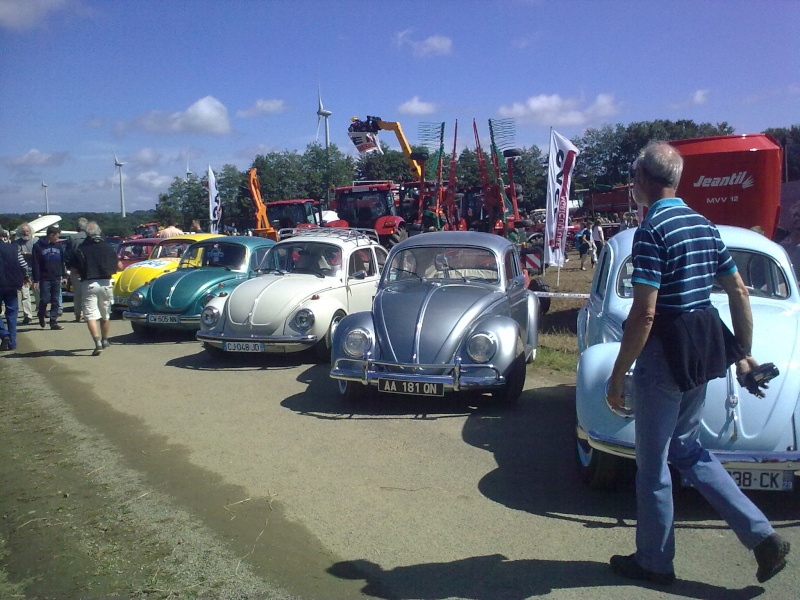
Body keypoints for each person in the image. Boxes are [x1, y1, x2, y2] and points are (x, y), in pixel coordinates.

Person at [606, 141, 790, 586]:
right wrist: (743, 353)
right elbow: (739, 291)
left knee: (651, 469)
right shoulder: (705, 225)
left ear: (645, 181)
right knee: (687, 449)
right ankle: (761, 535)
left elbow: (645, 312)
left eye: (634, 180)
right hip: (699, 358)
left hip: (663, 360)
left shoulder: (652, 231)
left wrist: (617, 375)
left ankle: (654, 561)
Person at [73, 221, 122, 356]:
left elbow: (74, 270)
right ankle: (105, 339)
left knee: (90, 315)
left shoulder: (81, 248)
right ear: (99, 231)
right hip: (106, 282)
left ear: (87, 233)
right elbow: (120, 266)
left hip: (89, 283)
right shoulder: (108, 246)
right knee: (105, 314)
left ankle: (97, 342)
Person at [31, 225, 67, 330]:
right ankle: (41, 314)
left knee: (55, 300)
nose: (57, 239)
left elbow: (62, 262)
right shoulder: (38, 246)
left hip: (56, 276)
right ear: (51, 235)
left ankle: (53, 322)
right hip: (44, 277)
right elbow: (35, 264)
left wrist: (64, 276)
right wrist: (36, 280)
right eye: (56, 236)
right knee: (45, 299)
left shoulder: (58, 247)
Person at [0, 240, 28, 351]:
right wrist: (25, 276)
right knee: (12, 313)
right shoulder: (14, 248)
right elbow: (24, 265)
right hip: (12, 284)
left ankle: (3, 333)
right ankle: (12, 342)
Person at [66, 217, 88, 322]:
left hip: (75, 269)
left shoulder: (72, 238)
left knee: (78, 294)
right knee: (88, 293)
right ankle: (87, 313)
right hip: (89, 269)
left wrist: (70, 267)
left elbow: (68, 255)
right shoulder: (91, 237)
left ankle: (78, 314)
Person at [13, 223, 35, 325]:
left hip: (35, 271)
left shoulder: (36, 241)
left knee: (38, 294)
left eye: (27, 231)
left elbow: (37, 254)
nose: (26, 233)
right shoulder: (16, 243)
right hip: (22, 273)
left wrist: (25, 253)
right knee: (25, 295)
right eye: (23, 232)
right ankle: (28, 316)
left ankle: (40, 312)